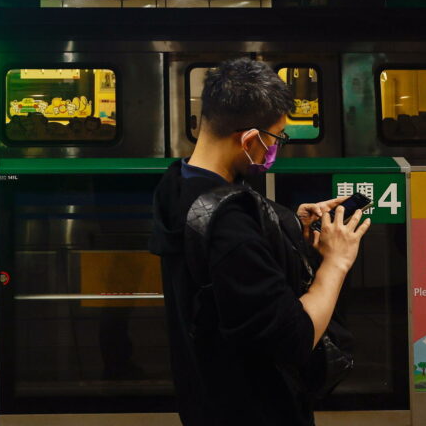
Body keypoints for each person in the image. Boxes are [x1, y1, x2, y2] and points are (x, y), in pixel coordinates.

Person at [149, 58, 370, 426]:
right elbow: (295, 339)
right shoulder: (230, 227)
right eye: (276, 138)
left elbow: (220, 273)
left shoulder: (176, 184)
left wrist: (287, 226)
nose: (275, 149)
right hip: (254, 410)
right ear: (250, 139)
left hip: (206, 397)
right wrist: (337, 262)